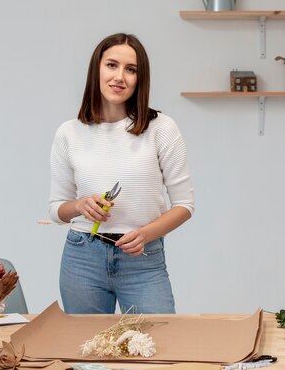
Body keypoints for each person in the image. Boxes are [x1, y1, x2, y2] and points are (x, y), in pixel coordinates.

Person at [48, 33, 194, 314]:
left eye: (131, 70)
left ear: (140, 78)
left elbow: (185, 205)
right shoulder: (69, 132)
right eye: (111, 65)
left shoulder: (162, 129)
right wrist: (80, 205)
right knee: (86, 353)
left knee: (157, 347)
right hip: (82, 259)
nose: (120, 77)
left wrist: (146, 234)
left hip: (142, 258)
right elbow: (56, 210)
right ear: (97, 70)